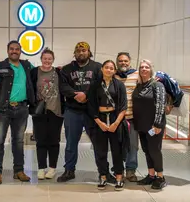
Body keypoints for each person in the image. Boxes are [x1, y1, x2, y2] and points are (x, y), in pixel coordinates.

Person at [57, 42, 116, 183]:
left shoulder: (97, 67)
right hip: (72, 111)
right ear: (74, 53)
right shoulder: (66, 69)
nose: (81, 53)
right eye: (78, 50)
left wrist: (86, 95)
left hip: (93, 112)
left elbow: (101, 83)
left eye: (84, 50)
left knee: (98, 144)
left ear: (89, 52)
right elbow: (62, 86)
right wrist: (75, 94)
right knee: (71, 143)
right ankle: (69, 170)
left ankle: (104, 172)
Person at [0, 40, 35, 184]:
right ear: (7, 51)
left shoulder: (27, 66)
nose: (14, 51)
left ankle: (19, 171)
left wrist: (57, 69)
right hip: (2, 110)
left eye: (17, 49)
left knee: (19, 142)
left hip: (21, 109)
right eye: (12, 49)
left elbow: (40, 73)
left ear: (20, 51)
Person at [88, 60, 127, 191]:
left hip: (115, 119)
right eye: (106, 67)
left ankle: (119, 177)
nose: (109, 70)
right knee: (100, 150)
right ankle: (103, 176)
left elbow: (123, 106)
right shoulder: (94, 85)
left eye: (111, 68)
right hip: (100, 119)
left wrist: (116, 123)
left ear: (114, 71)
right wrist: (99, 122)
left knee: (117, 150)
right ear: (102, 69)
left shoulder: (119, 85)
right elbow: (91, 106)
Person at [30, 47, 65, 180]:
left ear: (53, 60)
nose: (47, 61)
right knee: (40, 140)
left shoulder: (59, 72)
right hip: (40, 112)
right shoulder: (34, 72)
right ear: (41, 59)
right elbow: (29, 87)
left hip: (56, 111)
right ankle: (41, 168)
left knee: (54, 141)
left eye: (49, 59)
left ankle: (52, 168)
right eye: (45, 58)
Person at [132, 59, 167, 189]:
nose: (144, 69)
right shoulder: (139, 85)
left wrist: (157, 124)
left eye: (146, 67)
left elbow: (160, 105)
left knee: (154, 150)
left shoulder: (157, 85)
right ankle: (151, 175)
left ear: (151, 70)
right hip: (142, 125)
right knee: (147, 150)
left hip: (154, 126)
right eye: (141, 67)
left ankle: (160, 177)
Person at [115, 52, 139, 182]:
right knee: (117, 145)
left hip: (132, 117)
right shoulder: (113, 75)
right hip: (117, 118)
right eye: (120, 61)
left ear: (129, 62)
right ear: (117, 62)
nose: (123, 63)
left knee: (132, 145)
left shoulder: (137, 75)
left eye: (125, 61)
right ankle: (118, 170)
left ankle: (131, 170)